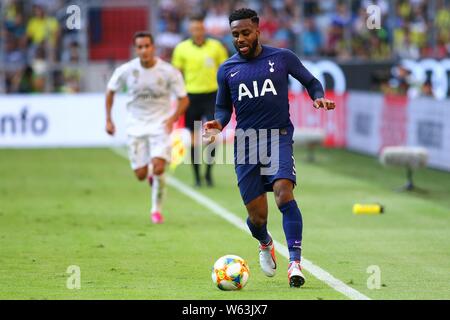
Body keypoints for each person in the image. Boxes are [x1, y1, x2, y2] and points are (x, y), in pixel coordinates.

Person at [203, 8, 335, 287]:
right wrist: (218, 123)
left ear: (257, 30)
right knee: (256, 217)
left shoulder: (282, 57)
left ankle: (295, 263)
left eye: (245, 32)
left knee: (283, 193)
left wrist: (319, 97)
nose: (240, 38)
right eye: (235, 34)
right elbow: (224, 108)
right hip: (246, 143)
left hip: (279, 136)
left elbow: (311, 82)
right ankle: (264, 242)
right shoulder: (227, 69)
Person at [105, 31, 189, 224]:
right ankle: (150, 175)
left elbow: (184, 99)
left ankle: (156, 210)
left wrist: (172, 119)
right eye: (140, 47)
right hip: (136, 126)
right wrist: (108, 120)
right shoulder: (126, 70)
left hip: (160, 125)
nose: (144, 50)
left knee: (159, 168)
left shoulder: (168, 71)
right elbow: (110, 91)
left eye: (147, 46)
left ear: (153, 48)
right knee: (141, 175)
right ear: (136, 49)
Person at [172, 14, 228, 187]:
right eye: (194, 28)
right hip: (191, 98)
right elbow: (176, 74)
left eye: (200, 28)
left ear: (205, 29)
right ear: (190, 30)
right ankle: (197, 177)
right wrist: (179, 96)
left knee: (212, 136)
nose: (198, 31)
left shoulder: (216, 47)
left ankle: (209, 173)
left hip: (212, 96)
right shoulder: (181, 49)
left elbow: (225, 70)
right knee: (194, 139)